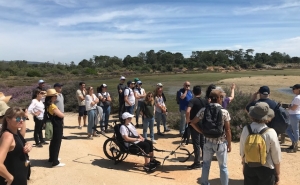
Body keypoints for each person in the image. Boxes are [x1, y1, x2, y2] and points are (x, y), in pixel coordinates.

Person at [190, 89, 231, 185]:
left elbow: (193, 122)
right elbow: (228, 130)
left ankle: (204, 183)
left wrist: (201, 131)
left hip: (207, 142)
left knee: (206, 165)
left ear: (210, 98)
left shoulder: (203, 110)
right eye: (222, 97)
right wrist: (229, 143)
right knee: (223, 167)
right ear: (219, 98)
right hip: (220, 143)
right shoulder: (224, 112)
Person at [240, 102, 281, 185]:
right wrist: (277, 173)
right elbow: (276, 155)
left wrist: (244, 164)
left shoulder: (246, 129)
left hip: (249, 167)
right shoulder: (271, 132)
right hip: (266, 168)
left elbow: (242, 150)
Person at [0, 107, 32, 185]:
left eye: (23, 118)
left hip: (20, 176)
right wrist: (9, 177)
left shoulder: (15, 132)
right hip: (13, 179)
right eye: (17, 118)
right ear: (8, 120)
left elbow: (21, 138)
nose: (21, 120)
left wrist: (28, 144)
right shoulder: (8, 136)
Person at [185, 85, 207, 169]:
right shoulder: (204, 101)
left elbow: (187, 111)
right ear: (201, 92)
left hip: (195, 125)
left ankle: (197, 162)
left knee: (196, 143)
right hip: (203, 124)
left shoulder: (192, 101)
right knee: (203, 143)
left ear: (193, 92)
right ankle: (205, 161)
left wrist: (188, 120)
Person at [45, 89, 65, 167]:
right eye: (55, 95)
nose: (56, 97)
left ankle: (52, 158)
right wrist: (59, 111)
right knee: (57, 142)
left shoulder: (48, 105)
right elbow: (62, 115)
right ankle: (55, 161)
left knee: (53, 142)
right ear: (51, 97)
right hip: (57, 125)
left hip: (53, 124)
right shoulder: (53, 106)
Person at [286, 84, 300, 153]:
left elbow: (294, 108)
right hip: (295, 115)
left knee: (294, 130)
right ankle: (295, 142)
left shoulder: (297, 98)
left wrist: (289, 107)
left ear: (298, 89)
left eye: (294, 88)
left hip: (294, 115)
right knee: (291, 129)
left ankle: (295, 142)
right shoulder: (297, 97)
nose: (293, 90)